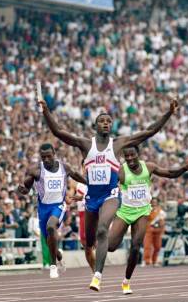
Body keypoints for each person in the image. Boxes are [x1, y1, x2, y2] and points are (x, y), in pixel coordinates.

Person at [39, 96, 179, 291]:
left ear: (111, 126)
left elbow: (149, 131)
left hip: (111, 195)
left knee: (103, 229)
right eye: (102, 121)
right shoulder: (86, 145)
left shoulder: (119, 144)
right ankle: (92, 264)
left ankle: (97, 277)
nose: (106, 124)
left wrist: (169, 113)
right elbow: (58, 132)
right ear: (95, 126)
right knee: (89, 243)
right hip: (91, 199)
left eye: (108, 121)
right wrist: (46, 110)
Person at [107, 145, 188, 294]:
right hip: (125, 211)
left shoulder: (149, 167)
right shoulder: (121, 171)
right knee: (110, 246)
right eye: (126, 156)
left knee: (135, 246)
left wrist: (185, 168)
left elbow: (170, 173)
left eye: (132, 155)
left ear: (138, 155)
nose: (129, 159)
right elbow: (106, 185)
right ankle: (110, 238)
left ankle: (126, 282)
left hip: (142, 211)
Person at [17, 143, 86, 279]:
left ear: (54, 154)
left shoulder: (63, 167)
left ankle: (52, 266)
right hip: (43, 208)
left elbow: (76, 174)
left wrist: (89, 184)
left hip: (58, 206)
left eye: (49, 156)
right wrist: (22, 190)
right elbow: (26, 189)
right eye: (44, 157)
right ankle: (58, 255)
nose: (47, 160)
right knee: (49, 240)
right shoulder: (36, 171)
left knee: (51, 227)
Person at [143, 197, 165, 267]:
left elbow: (162, 221)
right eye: (153, 202)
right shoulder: (147, 210)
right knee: (147, 246)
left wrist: (161, 226)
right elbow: (145, 219)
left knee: (157, 247)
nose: (154, 203)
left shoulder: (160, 211)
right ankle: (146, 261)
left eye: (155, 202)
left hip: (158, 231)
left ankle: (154, 261)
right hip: (149, 230)